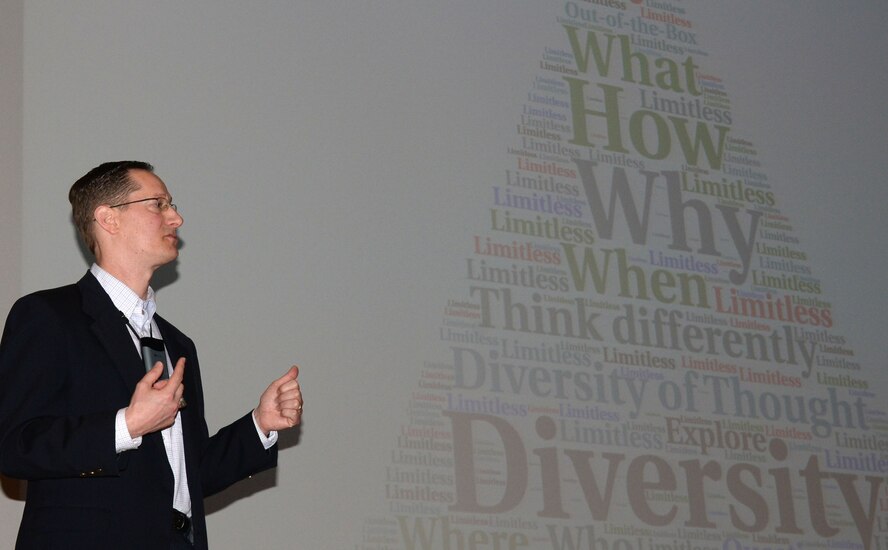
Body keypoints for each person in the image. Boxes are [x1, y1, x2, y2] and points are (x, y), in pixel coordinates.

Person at [0, 161, 303, 549]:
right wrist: (126, 425)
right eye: (158, 204)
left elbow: (188, 475)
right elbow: (16, 447)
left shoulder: (177, 343)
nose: (176, 218)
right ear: (108, 219)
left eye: (171, 205)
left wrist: (260, 424)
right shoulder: (49, 316)